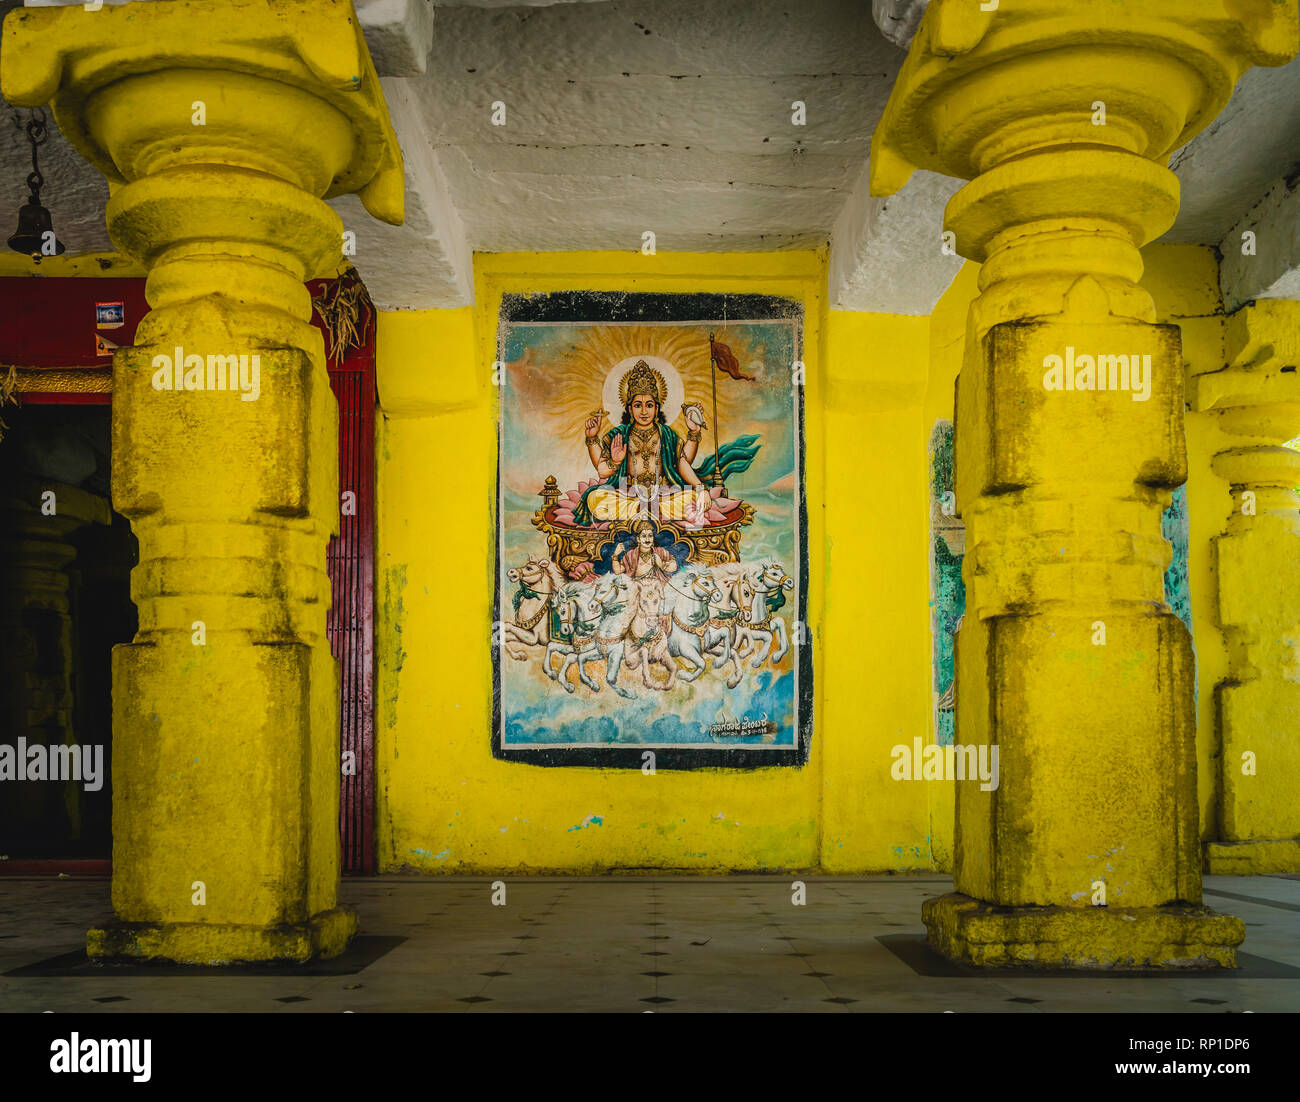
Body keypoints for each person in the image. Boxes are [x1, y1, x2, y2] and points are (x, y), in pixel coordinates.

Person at [573, 359, 713, 526]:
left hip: (664, 495)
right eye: (638, 405)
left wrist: (700, 488)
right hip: (628, 494)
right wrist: (615, 461)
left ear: (656, 408)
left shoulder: (666, 434)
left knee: (692, 498)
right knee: (595, 499)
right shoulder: (620, 435)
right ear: (630, 409)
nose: (644, 411)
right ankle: (646, 511)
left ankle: (644, 511)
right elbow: (603, 472)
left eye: (649, 405)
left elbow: (682, 463)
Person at [611, 516, 679, 585]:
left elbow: (674, 566)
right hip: (637, 590)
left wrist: (662, 565)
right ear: (638, 539)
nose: (647, 539)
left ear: (653, 538)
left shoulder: (660, 552)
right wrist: (615, 555)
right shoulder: (630, 555)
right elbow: (618, 571)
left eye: (650, 536)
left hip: (657, 589)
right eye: (643, 536)